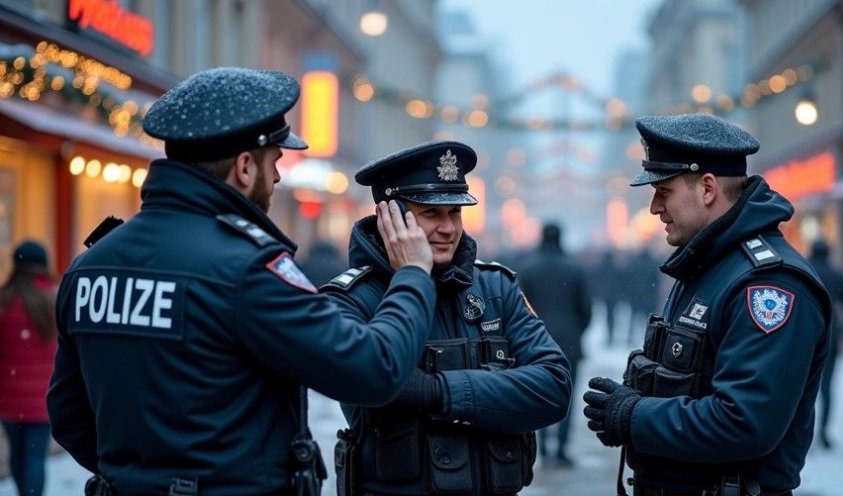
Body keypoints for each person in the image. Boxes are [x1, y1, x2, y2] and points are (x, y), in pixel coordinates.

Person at [46, 67, 439, 496]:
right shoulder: (246, 269)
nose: (278, 177)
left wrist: (143, 477)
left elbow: (68, 415)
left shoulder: (92, 265)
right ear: (245, 167)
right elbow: (374, 370)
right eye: (276, 161)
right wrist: (412, 274)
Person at [582, 113, 831, 496]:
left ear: (708, 189)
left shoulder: (767, 284)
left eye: (663, 191)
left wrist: (634, 416)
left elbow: (745, 422)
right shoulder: (708, 267)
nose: (654, 208)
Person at [322, 141, 572, 496]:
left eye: (455, 213)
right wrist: (413, 272)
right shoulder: (350, 300)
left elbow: (553, 389)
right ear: (389, 219)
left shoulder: (495, 288)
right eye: (430, 214)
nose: (448, 228)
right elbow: (372, 380)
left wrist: (438, 391)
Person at [518, 222, 593, 468]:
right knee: (566, 395)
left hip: (535, 341)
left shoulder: (528, 268)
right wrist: (574, 332)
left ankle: (543, 446)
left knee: (536, 393)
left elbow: (519, 309)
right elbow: (586, 310)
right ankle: (561, 447)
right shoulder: (575, 269)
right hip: (569, 342)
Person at [0, 241, 57, 496]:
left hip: (9, 397)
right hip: (42, 399)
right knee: (35, 457)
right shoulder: (55, 299)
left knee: (16, 454)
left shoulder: (4, 300)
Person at [807, 238, 843, 450]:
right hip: (829, 335)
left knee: (800, 387)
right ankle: (824, 431)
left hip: (804, 334)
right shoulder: (838, 274)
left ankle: (800, 430)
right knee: (826, 387)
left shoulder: (802, 269)